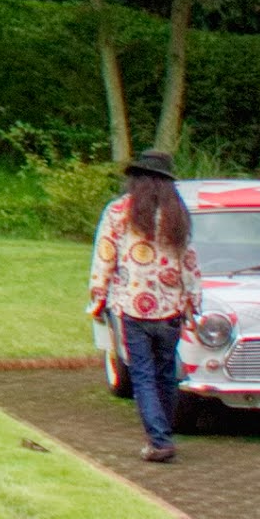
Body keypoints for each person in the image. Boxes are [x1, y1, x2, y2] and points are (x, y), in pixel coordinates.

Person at [84, 153, 199, 464]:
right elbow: (188, 261)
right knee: (166, 374)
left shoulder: (119, 211)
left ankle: (159, 440)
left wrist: (98, 298)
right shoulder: (177, 213)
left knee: (143, 375)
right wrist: (193, 301)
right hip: (171, 307)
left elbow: (105, 257)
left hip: (133, 307)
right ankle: (165, 433)